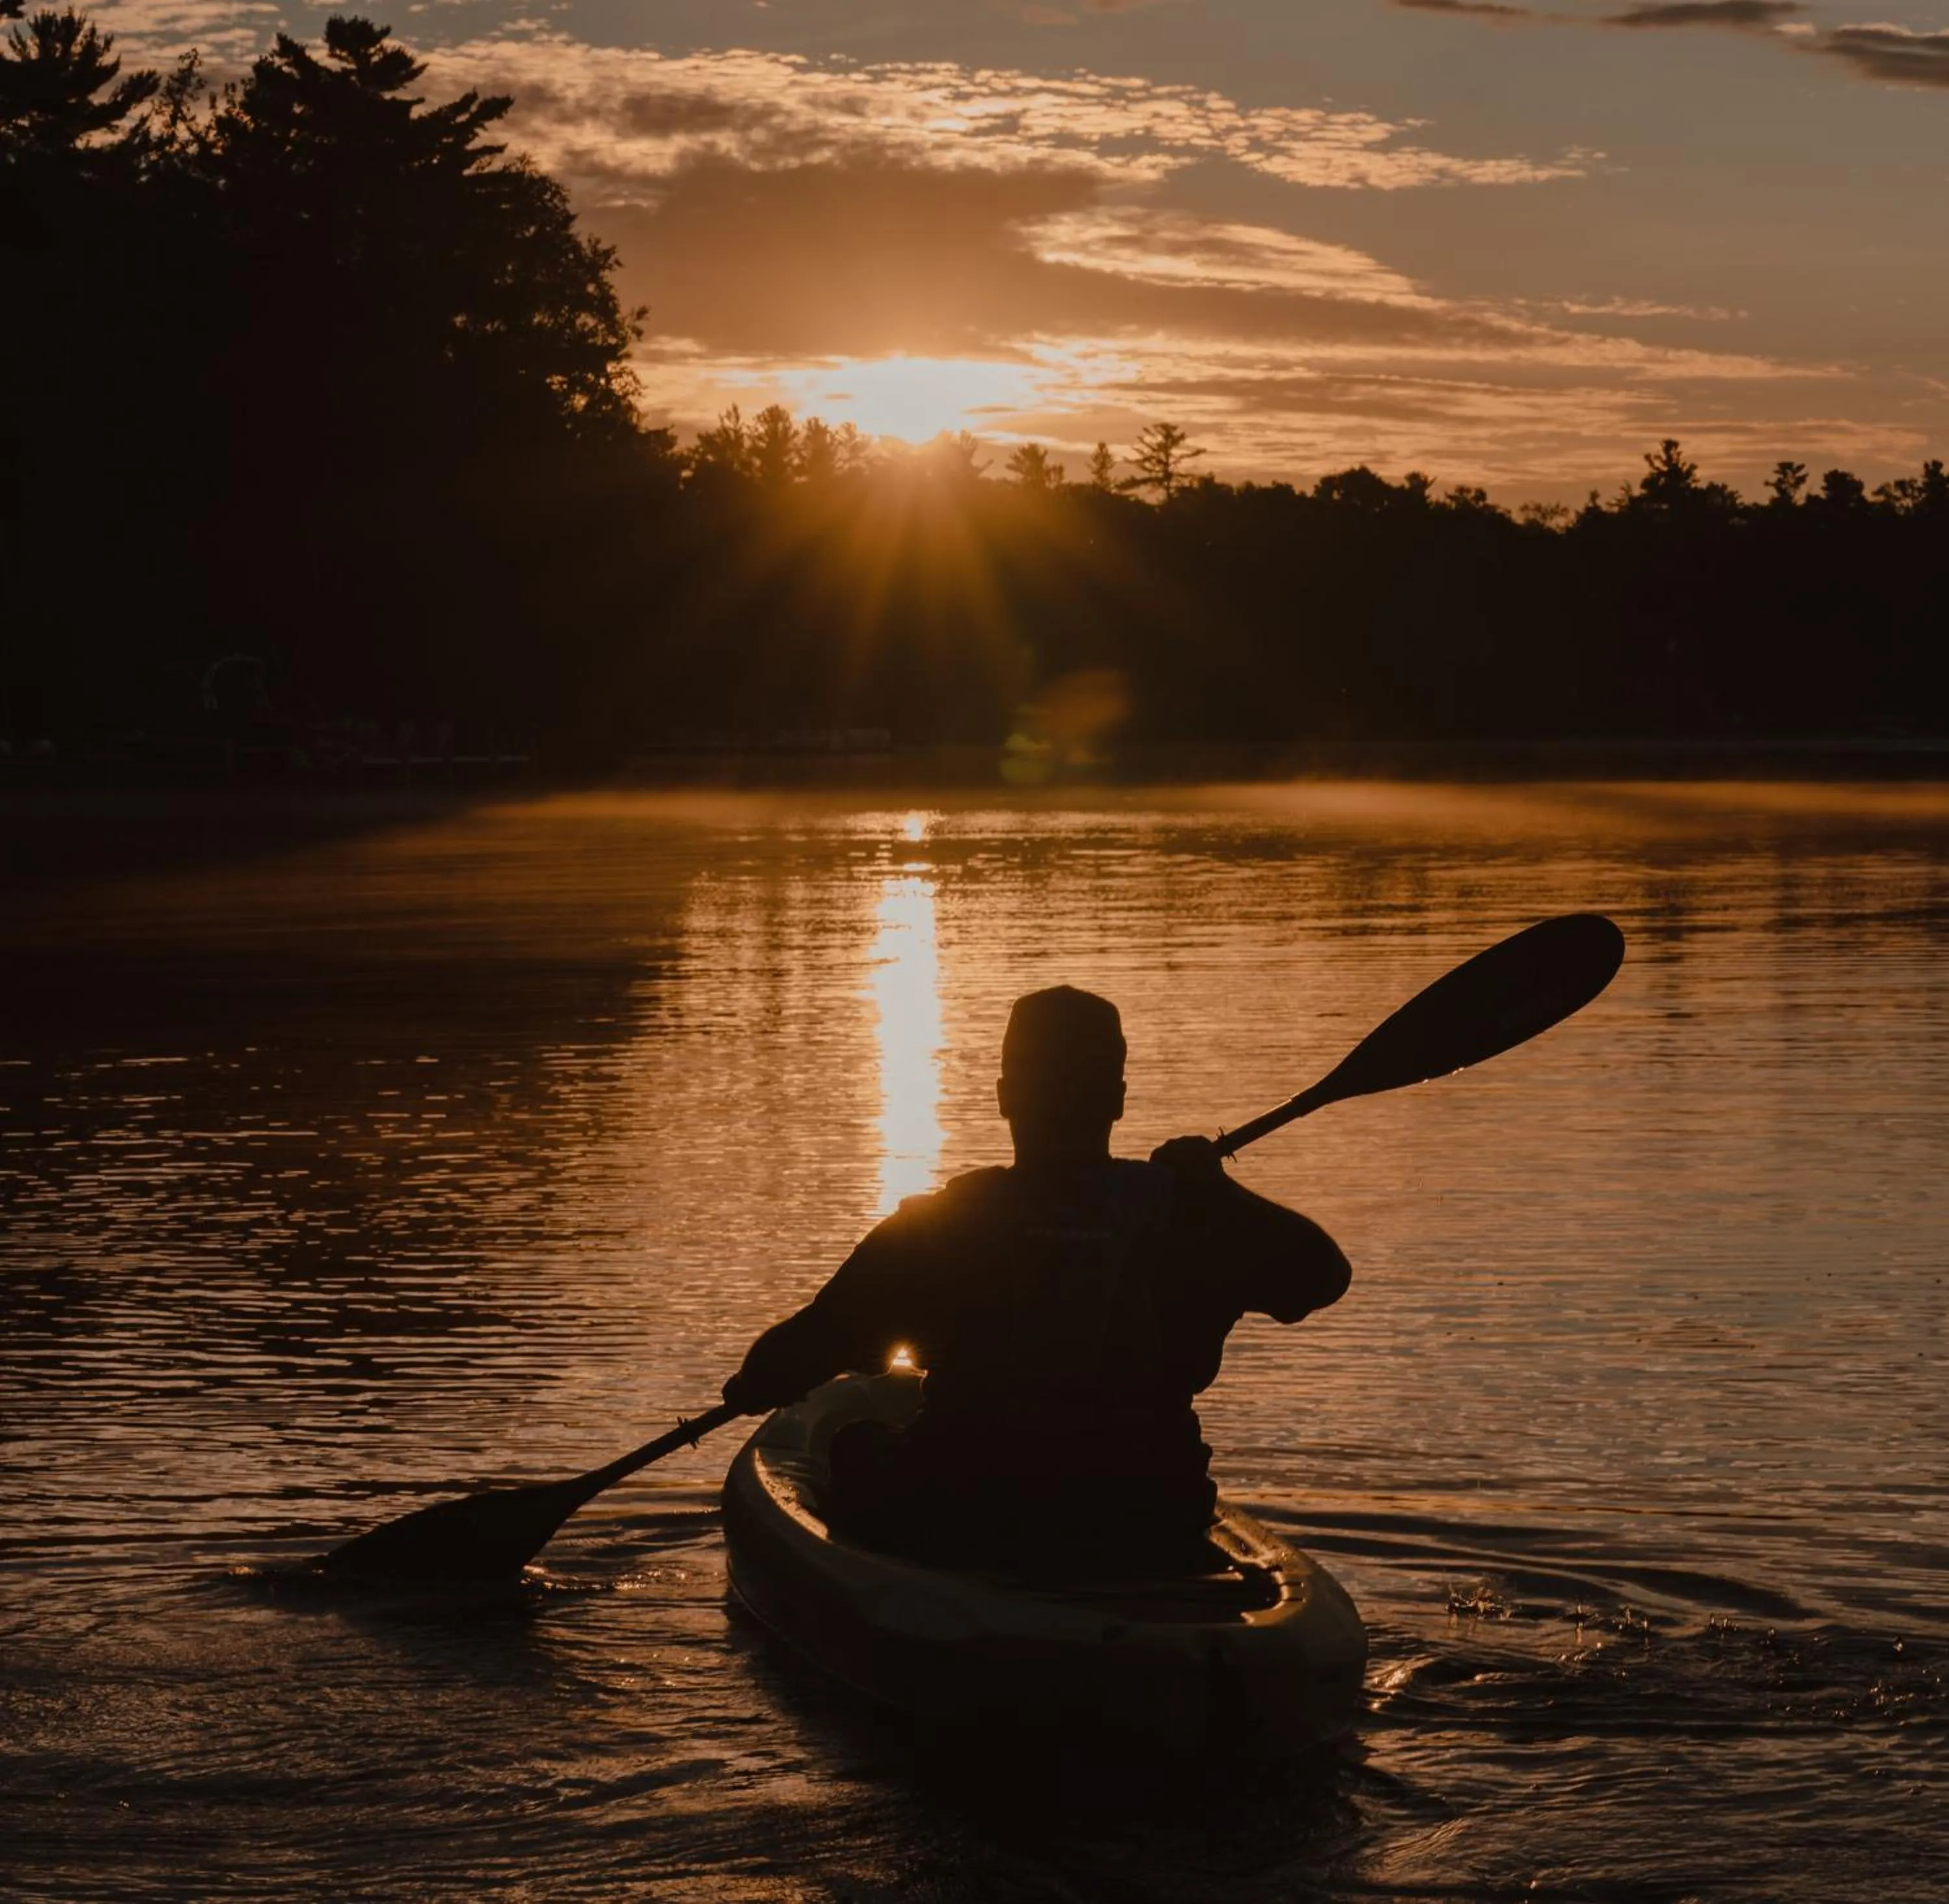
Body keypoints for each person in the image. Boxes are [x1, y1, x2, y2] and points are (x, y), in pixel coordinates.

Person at [722, 984, 1352, 1571]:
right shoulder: (1190, 1216)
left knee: (855, 1446)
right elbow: (1322, 1277)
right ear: (1117, 1098)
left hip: (972, 1515)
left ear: (1006, 1097)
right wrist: (1219, 1192)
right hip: (1150, 1522)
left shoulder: (938, 1226)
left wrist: (749, 1384)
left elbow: (789, 1360)